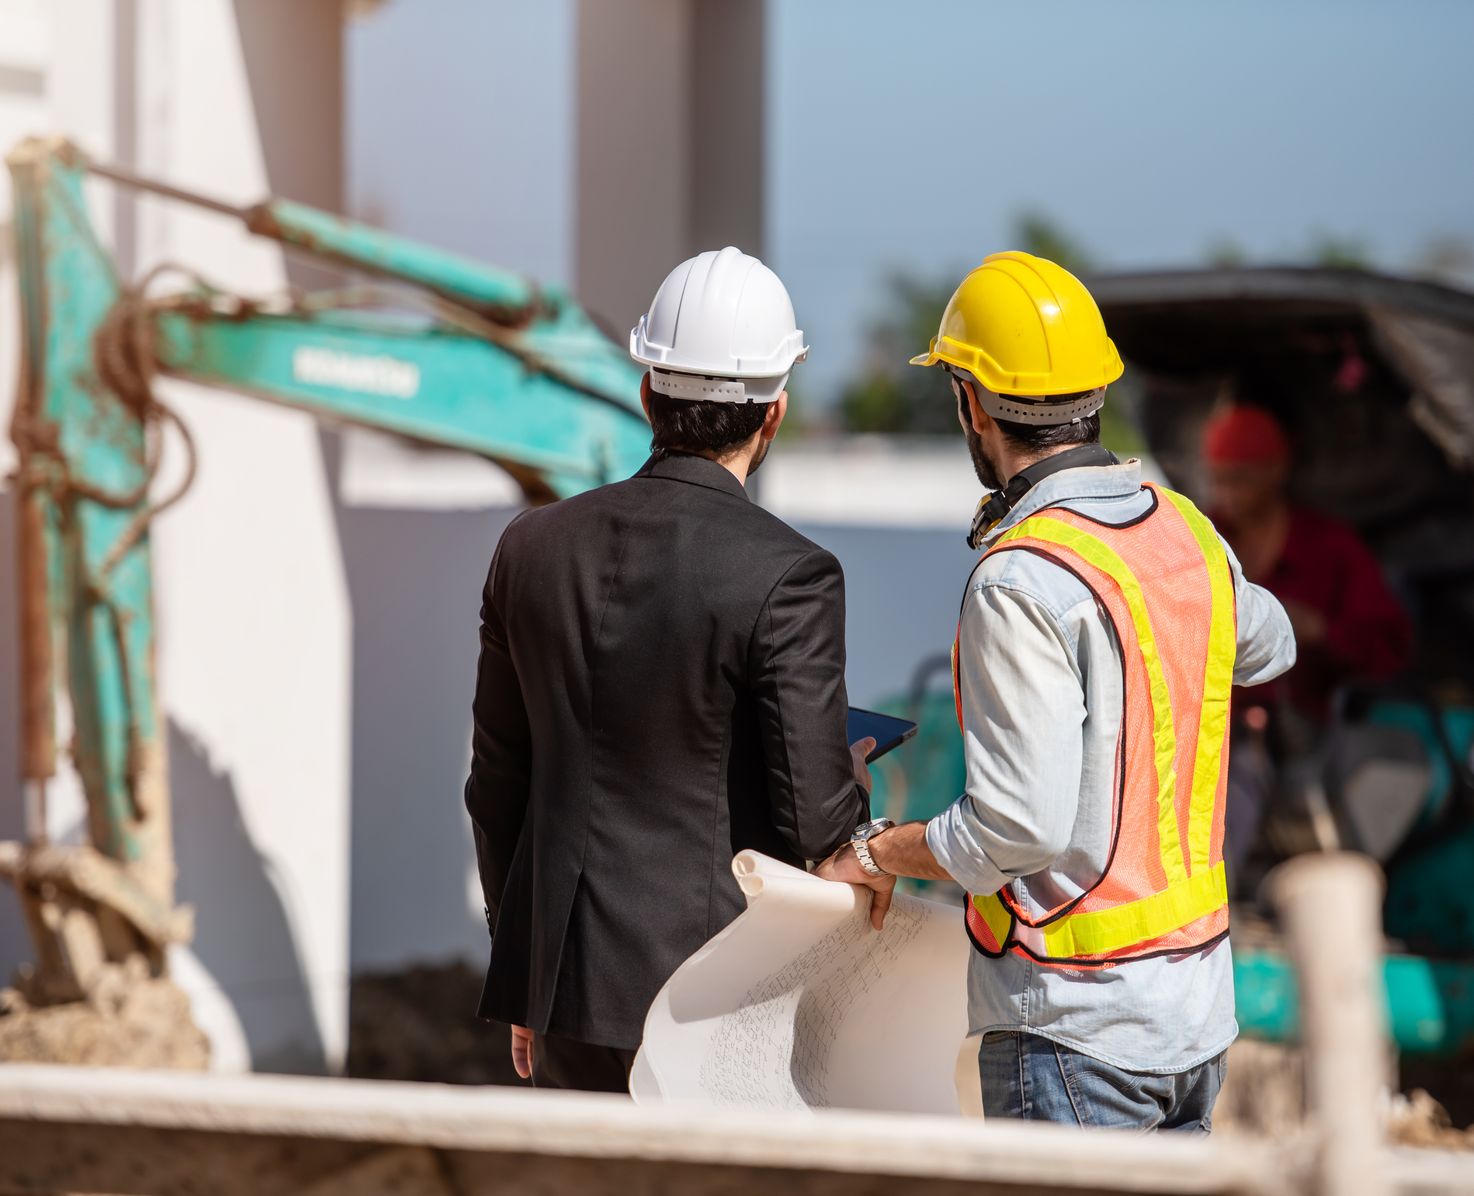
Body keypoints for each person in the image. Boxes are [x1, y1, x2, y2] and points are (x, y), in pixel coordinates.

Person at [817, 252, 1296, 1131]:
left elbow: (1016, 829)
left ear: (971, 403)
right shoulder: (1184, 528)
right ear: (1095, 396)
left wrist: (880, 850)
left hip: (1079, 1035)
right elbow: (1271, 642)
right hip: (1194, 1023)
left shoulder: (1023, 578)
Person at [464, 247, 873, 1093]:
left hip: (562, 988)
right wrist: (852, 774)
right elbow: (816, 824)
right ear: (776, 412)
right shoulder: (791, 574)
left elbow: (496, 781)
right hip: (713, 998)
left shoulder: (529, 549)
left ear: (647, 391)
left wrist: (525, 969)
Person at [1202, 402, 1413, 868]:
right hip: (1214, 729)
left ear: (1276, 471)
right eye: (1219, 478)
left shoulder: (1329, 546)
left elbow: (1389, 644)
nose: (1227, 493)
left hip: (1311, 733)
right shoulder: (1203, 535)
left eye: (1241, 478)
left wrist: (1319, 630)